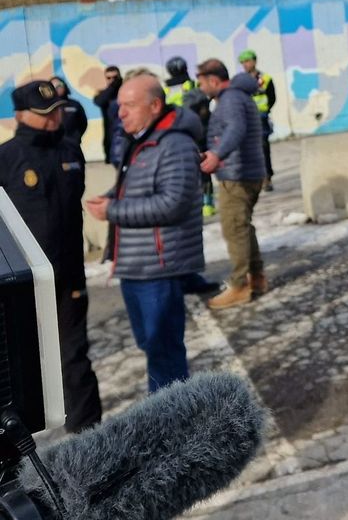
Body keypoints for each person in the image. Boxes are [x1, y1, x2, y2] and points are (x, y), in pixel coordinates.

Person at [85, 70, 205, 393]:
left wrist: (112, 211)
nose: (119, 112)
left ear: (154, 106)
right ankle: (166, 416)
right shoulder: (141, 141)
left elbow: (172, 204)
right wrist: (111, 197)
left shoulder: (175, 144)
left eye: (129, 105)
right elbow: (134, 190)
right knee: (152, 347)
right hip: (137, 264)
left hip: (159, 267)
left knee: (164, 353)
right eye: (119, 105)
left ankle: (174, 424)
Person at [0, 80, 103, 433]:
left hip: (68, 275)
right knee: (20, 364)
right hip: (23, 284)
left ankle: (86, 432)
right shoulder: (6, 158)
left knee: (73, 356)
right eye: (45, 114)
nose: (55, 118)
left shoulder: (70, 151)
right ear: (20, 115)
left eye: (57, 110)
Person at [196, 58, 268, 309]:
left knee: (234, 229)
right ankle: (257, 278)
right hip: (245, 171)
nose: (201, 88)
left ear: (214, 81)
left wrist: (217, 155)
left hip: (238, 175)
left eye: (202, 83)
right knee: (243, 227)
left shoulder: (231, 99)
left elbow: (236, 129)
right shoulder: (235, 98)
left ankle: (239, 286)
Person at [165, 56, 217, 218]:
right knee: (203, 170)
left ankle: (192, 203)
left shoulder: (164, 90)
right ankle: (207, 203)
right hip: (196, 133)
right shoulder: (193, 87)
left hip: (174, 136)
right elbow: (204, 111)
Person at [238, 49, 276, 191]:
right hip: (246, 119)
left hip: (261, 117)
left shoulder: (265, 79)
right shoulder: (241, 81)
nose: (245, 65)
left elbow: (272, 97)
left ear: (254, 61)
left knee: (263, 148)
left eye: (247, 61)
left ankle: (267, 177)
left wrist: (265, 109)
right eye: (243, 63)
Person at [92, 65, 122, 164]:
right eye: (109, 78)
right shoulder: (104, 94)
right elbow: (99, 101)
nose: (112, 80)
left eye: (115, 78)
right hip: (110, 136)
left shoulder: (125, 92)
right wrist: (112, 87)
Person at [49, 76, 89, 144]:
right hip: (54, 146)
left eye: (59, 85)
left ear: (64, 85)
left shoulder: (75, 104)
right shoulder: (48, 107)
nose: (57, 88)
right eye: (53, 86)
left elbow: (83, 123)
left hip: (73, 144)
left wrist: (76, 137)